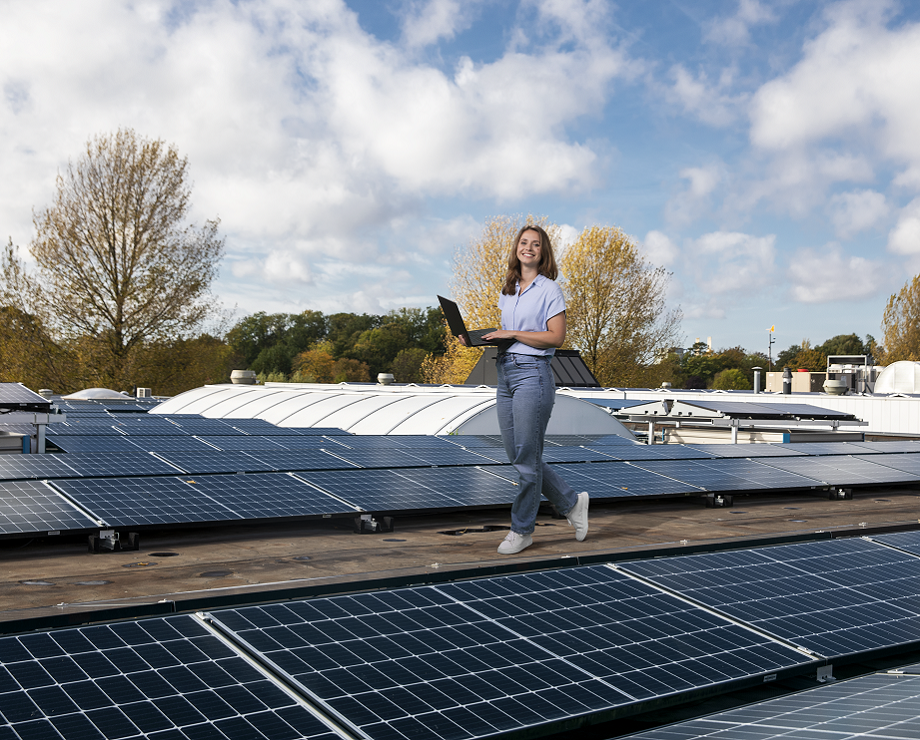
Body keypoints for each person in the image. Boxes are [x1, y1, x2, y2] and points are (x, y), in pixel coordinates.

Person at [466, 224, 589, 555]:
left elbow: (555, 337)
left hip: (533, 375)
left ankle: (522, 530)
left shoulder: (550, 290)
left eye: (536, 244)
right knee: (520, 455)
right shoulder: (507, 289)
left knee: (525, 458)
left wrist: (515, 334)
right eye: (524, 242)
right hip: (505, 373)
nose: (529, 248)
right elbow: (505, 332)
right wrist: (479, 338)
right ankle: (571, 503)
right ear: (516, 249)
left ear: (543, 252)